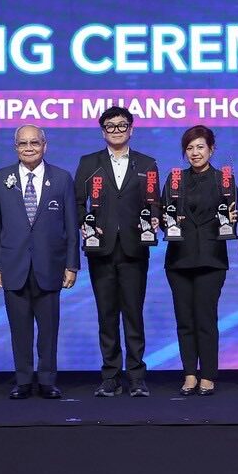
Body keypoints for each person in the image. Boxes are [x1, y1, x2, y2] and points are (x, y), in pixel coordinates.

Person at [0, 124, 79, 400]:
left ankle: (47, 380)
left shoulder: (61, 178)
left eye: (34, 143)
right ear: (15, 148)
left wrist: (71, 265)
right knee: (19, 330)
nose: (29, 148)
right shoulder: (1, 178)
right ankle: (23, 380)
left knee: (48, 330)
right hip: (13, 267)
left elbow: (71, 226)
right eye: (23, 143)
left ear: (44, 146)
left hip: (50, 267)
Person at [74, 106, 161, 398]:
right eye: (110, 126)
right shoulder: (89, 163)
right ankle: (110, 376)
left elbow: (155, 202)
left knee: (134, 314)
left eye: (122, 125)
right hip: (100, 249)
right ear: (103, 132)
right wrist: (84, 225)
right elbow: (77, 203)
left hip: (135, 248)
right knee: (106, 314)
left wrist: (155, 218)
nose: (116, 130)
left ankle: (136, 376)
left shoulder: (147, 163)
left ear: (131, 129)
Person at [160, 126, 234, 395]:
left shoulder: (223, 179)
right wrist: (165, 221)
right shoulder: (175, 179)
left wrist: (233, 218)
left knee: (205, 318)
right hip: (179, 260)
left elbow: (230, 216)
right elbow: (164, 218)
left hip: (211, 260)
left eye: (200, 147)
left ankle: (209, 374)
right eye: (189, 148)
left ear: (211, 149)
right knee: (184, 320)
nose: (195, 153)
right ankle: (190, 373)